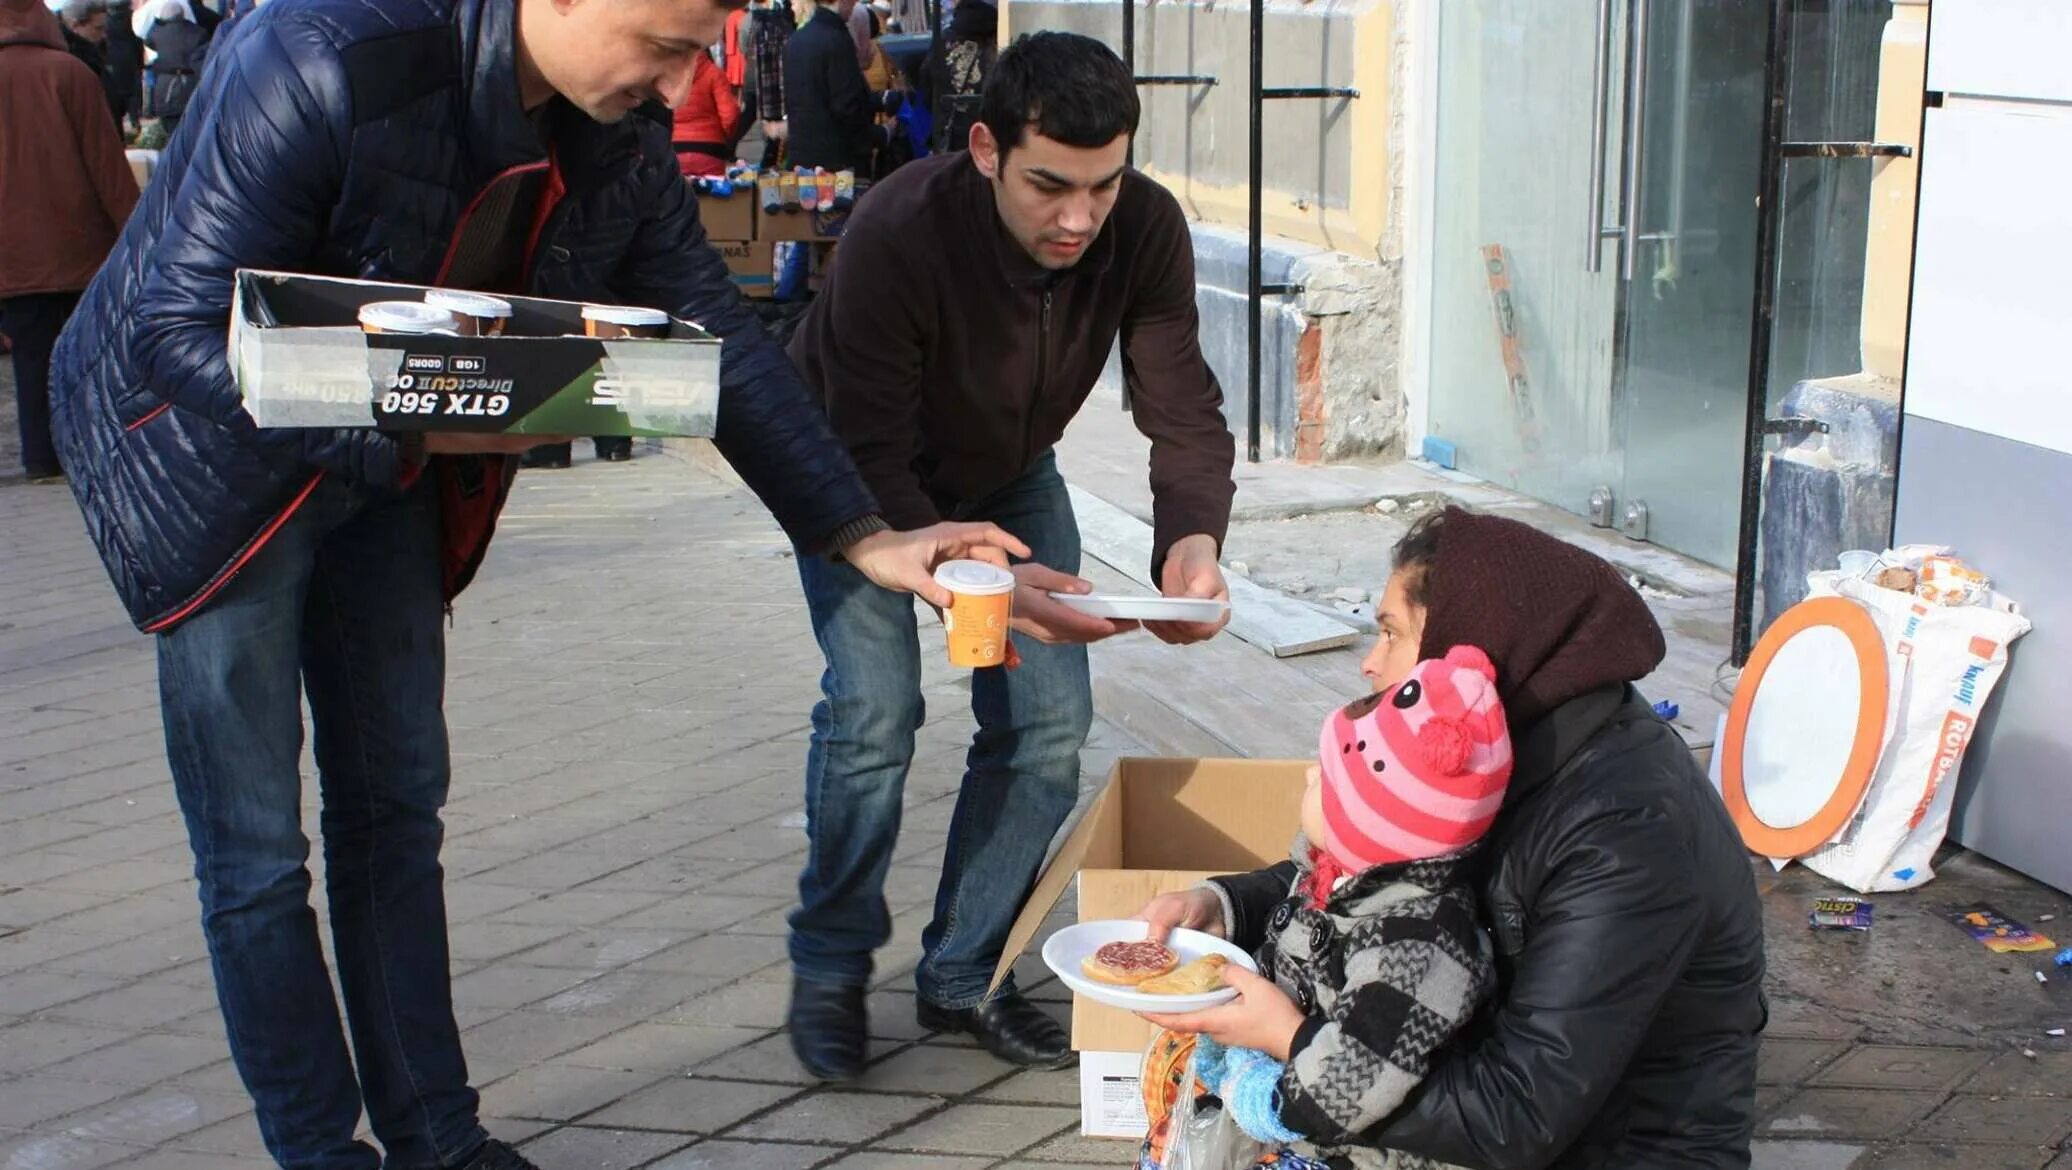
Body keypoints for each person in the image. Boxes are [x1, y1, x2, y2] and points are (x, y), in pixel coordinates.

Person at [47, 0, 1023, 1167]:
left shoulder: (613, 127)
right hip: (205, 475)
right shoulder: (318, 56)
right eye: (663, 49)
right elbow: (170, 326)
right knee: (256, 855)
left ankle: (439, 1138)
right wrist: (420, 422)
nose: (676, 89)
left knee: (396, 814)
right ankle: (318, 1152)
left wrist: (862, 534)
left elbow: (709, 333)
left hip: (381, 475)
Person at [781, 30, 1238, 1080]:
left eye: (1102, 186)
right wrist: (969, 587)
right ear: (985, 147)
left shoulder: (1146, 228)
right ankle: (829, 968)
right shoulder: (898, 227)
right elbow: (868, 447)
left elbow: (1183, 409)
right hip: (854, 482)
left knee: (1047, 727)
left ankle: (960, 976)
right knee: (873, 715)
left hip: (1007, 474)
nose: (1077, 219)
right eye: (1047, 186)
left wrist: (1192, 546)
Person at [1136, 508, 1767, 1169]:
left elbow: (1516, 1116)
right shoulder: (1495, 743)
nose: (1370, 664)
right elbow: (1373, 888)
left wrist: (1293, 1042)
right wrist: (1227, 905)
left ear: (1475, 645)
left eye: (1390, 633)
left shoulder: (1625, 836)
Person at [1135, 646, 1511, 1168]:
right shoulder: (1342, 875)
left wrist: (1258, 1084)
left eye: (1331, 779)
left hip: (1348, 1150)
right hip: (1283, 1092)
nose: (1312, 775)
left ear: (1371, 822)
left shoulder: (1420, 946)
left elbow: (1350, 1084)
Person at [0, 0, 137, 484]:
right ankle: (91, 446)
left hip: (11, 253)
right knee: (88, 354)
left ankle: (41, 458)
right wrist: (136, 234)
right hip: (80, 246)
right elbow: (107, 166)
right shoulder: (70, 73)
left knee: (31, 356)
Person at [782, 0, 900, 174]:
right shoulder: (837, 39)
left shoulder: (796, 40)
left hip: (802, 157)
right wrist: (882, 133)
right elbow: (847, 105)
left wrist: (883, 99)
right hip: (837, 165)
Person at [919, 0, 993, 152]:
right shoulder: (999, 40)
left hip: (949, 135)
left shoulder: (943, 39)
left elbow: (926, 89)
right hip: (986, 137)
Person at [142, 0, 207, 137]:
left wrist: (157, 22)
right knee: (193, 127)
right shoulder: (197, 32)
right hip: (191, 84)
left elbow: (148, 40)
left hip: (166, 86)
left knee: (171, 130)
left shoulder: (157, 33)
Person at [674, 50, 743, 177]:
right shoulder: (713, 73)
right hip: (710, 149)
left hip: (675, 150)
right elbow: (730, 114)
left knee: (677, 195)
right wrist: (725, 137)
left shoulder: (668, 76)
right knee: (714, 194)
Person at [59, 0, 120, 130]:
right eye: (98, 28)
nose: (103, 35)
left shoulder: (95, 52)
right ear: (75, 25)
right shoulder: (68, 60)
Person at [750, 0, 795, 169]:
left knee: (773, 149)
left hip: (770, 98)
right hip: (783, 102)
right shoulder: (783, 28)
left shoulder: (758, 23)